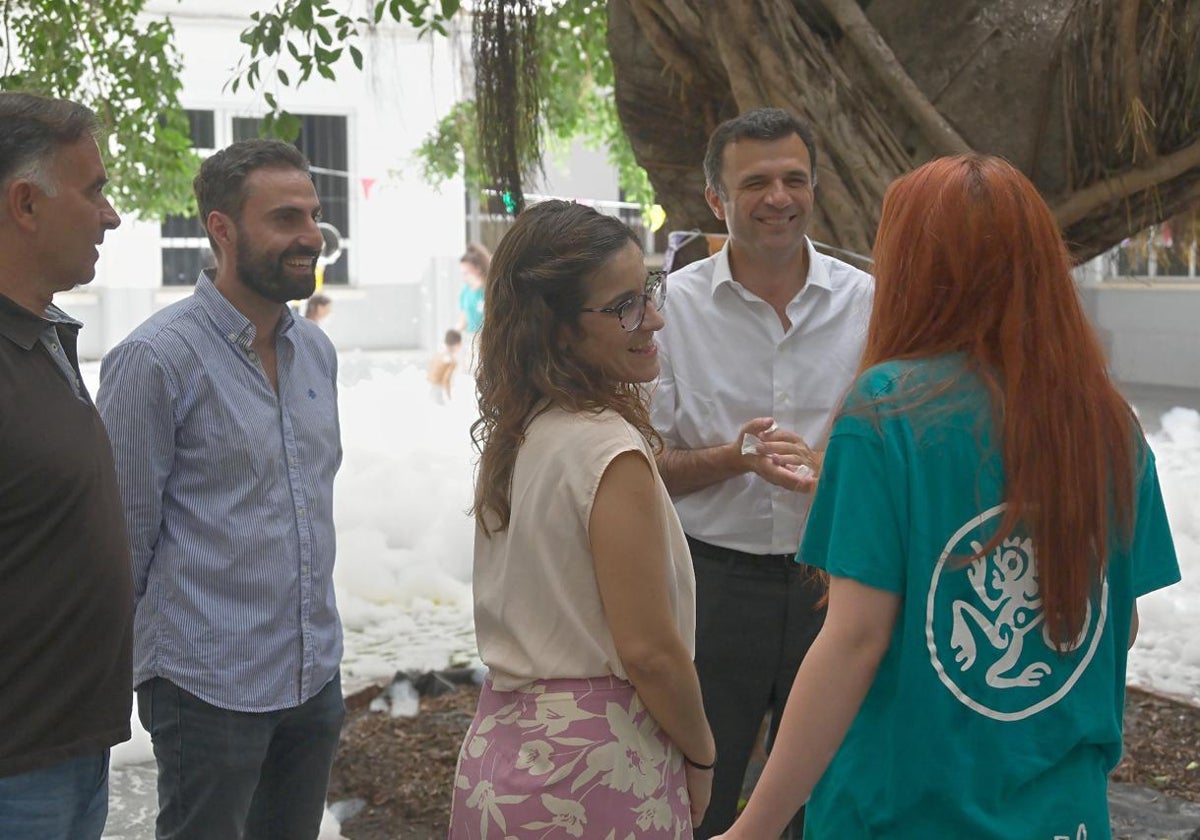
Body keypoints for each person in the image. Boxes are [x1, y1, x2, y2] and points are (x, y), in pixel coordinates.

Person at [715, 155, 1182, 840]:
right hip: (1066, 815)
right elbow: (1122, 625)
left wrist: (753, 827)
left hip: (906, 813)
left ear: (913, 269)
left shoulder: (885, 412)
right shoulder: (1105, 418)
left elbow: (853, 641)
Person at [97, 139, 345, 840]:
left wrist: (320, 661)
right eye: (285, 218)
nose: (308, 237)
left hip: (311, 673)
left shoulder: (315, 352)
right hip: (206, 684)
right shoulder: (154, 360)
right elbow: (122, 541)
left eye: (313, 216)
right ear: (222, 229)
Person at [448, 200, 715, 838]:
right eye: (623, 305)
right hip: (595, 769)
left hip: (499, 756)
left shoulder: (523, 431)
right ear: (560, 329)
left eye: (648, 291)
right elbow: (650, 652)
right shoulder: (608, 451)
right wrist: (702, 752)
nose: (652, 318)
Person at [649, 107, 873, 837]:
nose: (778, 197)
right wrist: (729, 460)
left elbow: (894, 447)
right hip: (714, 585)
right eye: (756, 183)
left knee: (830, 791)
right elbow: (638, 465)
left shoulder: (868, 304)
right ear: (716, 201)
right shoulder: (671, 310)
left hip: (834, 586)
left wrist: (833, 468)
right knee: (697, 783)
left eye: (793, 179)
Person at [0, 91, 131, 840]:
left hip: (71, 749)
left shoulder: (44, 330)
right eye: (94, 191)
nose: (110, 215)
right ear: (25, 203)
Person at [456, 242, 489, 368]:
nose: (464, 277)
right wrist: (454, 335)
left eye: (466, 273)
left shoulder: (488, 292)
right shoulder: (466, 291)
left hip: (486, 339)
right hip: (470, 339)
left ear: (478, 269)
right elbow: (464, 316)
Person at [427, 327, 462, 404]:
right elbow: (446, 380)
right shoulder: (452, 361)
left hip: (429, 386)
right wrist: (449, 397)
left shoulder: (438, 355)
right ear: (458, 344)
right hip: (438, 390)